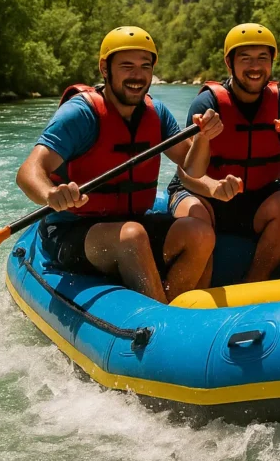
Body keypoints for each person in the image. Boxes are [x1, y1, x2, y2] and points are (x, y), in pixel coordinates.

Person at [16, 26, 222, 303]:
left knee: (199, 232)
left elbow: (193, 168)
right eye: (127, 66)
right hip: (73, 231)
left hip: (131, 221)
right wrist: (50, 194)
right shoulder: (81, 114)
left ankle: (172, 308)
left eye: (144, 66)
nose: (137, 76)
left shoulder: (156, 112)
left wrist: (203, 138)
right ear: (105, 68)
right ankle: (160, 318)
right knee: (132, 236)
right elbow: (28, 172)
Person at [168, 23, 280, 283]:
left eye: (262, 58)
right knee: (195, 217)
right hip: (203, 193)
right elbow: (188, 174)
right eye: (246, 59)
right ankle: (194, 297)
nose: (255, 67)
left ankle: (254, 283)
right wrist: (203, 140)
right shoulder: (207, 103)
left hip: (257, 198)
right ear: (229, 63)